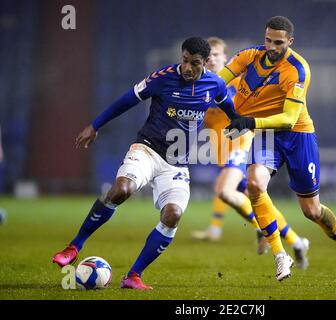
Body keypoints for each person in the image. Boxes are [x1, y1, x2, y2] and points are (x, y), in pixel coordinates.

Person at [52, 37, 238, 290]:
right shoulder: (162, 78)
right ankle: (74, 246)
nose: (187, 67)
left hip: (177, 165)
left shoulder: (215, 84)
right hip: (147, 149)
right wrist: (95, 126)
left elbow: (229, 107)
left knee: (173, 215)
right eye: (184, 60)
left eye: (194, 63)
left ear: (205, 63)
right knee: (122, 189)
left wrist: (241, 125)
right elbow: (126, 100)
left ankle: (133, 276)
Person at [221, 16, 336, 282]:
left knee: (312, 211)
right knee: (254, 184)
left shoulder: (297, 69)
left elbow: (288, 119)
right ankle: (279, 254)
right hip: (267, 134)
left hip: (298, 136)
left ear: (290, 42)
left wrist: (248, 121)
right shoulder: (249, 56)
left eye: (279, 42)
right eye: (268, 40)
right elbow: (219, 79)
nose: (272, 46)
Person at [192, 37, 310, 269]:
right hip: (221, 150)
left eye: (217, 55)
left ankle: (260, 228)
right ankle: (297, 242)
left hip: (242, 143)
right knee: (251, 196)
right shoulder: (200, 85)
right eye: (208, 56)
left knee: (225, 191)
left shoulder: (237, 79)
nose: (212, 59)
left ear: (226, 58)